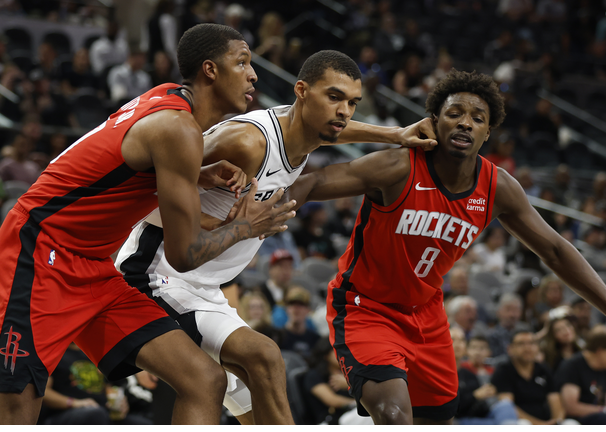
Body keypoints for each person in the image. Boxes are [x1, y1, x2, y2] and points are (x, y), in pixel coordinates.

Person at [286, 69, 606, 424]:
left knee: (438, 422)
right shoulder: (398, 166)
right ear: (433, 123)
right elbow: (314, 181)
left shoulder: (497, 187)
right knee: (394, 415)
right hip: (367, 307)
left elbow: (556, 250)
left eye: (477, 118)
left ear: (488, 132)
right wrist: (254, 221)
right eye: (454, 114)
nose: (466, 124)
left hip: (426, 314)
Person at [0, 23, 296, 425]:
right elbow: (184, 256)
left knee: (204, 380)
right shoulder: (179, 128)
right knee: (16, 407)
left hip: (94, 266)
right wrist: (247, 227)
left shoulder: (170, 102)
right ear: (209, 70)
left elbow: (122, 160)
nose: (253, 74)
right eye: (242, 62)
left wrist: (195, 173)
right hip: (38, 252)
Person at [115, 49, 435, 425]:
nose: (344, 112)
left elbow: (334, 131)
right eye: (334, 97)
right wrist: (224, 226)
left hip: (204, 287)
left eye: (353, 103)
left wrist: (394, 133)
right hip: (155, 273)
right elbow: (144, 189)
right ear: (301, 91)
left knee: (257, 396)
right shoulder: (247, 142)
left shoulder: (305, 132)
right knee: (263, 355)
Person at [40, 343, 150, 425]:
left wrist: (120, 403)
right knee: (96, 414)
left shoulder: (94, 353)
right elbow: (43, 393)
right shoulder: (53, 353)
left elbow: (109, 387)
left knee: (143, 425)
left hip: (101, 412)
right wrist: (75, 403)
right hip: (64, 413)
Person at [492, 329, 565, 425]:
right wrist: (540, 425)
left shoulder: (544, 369)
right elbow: (507, 408)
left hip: (546, 421)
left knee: (571, 424)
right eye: (521, 344)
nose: (527, 348)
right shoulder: (503, 371)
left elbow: (556, 401)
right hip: (519, 421)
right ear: (510, 349)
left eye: (531, 343)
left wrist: (556, 422)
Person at [455, 336, 518, 425]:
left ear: (489, 352)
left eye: (482, 348)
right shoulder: (461, 370)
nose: (478, 352)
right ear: (467, 350)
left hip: (489, 409)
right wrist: (476, 395)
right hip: (468, 415)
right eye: (474, 348)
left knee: (507, 405)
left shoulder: (494, 371)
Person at [302, 337, 356, 425]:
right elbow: (332, 400)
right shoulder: (313, 375)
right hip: (330, 420)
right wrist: (357, 404)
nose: (343, 354)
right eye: (337, 351)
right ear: (326, 355)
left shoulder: (347, 372)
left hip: (350, 414)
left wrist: (348, 384)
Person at [279, 286, 320, 360]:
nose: (296, 309)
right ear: (286, 309)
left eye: (301, 304)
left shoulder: (315, 340)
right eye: (292, 304)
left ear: (308, 310)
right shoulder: (278, 337)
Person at [487, 293, 525, 358]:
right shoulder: (491, 336)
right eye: (508, 310)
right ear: (498, 312)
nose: (512, 315)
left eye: (516, 310)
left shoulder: (526, 332)